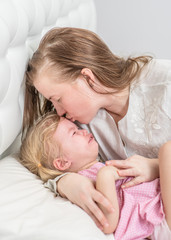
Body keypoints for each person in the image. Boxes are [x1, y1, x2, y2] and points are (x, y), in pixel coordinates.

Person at [23, 27, 171, 229]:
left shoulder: (164, 81)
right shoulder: (83, 125)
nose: (58, 112)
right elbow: (48, 156)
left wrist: (155, 166)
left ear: (88, 78)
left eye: (58, 99)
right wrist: (64, 182)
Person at [19, 112, 171, 240]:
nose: (83, 131)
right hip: (159, 219)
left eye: (77, 128)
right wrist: (106, 176)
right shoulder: (86, 184)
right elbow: (108, 224)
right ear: (63, 163)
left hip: (161, 203)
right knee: (167, 151)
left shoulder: (101, 165)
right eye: (74, 133)